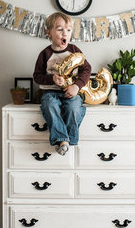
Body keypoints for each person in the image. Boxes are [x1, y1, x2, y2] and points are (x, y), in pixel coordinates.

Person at [33, 12, 92, 156]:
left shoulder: (74, 51)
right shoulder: (45, 54)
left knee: (73, 107)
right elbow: (37, 76)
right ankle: (62, 140)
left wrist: (76, 86)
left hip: (71, 92)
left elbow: (87, 69)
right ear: (49, 33)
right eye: (60, 29)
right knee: (49, 105)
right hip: (51, 92)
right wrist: (51, 78)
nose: (64, 33)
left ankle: (68, 140)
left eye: (68, 30)